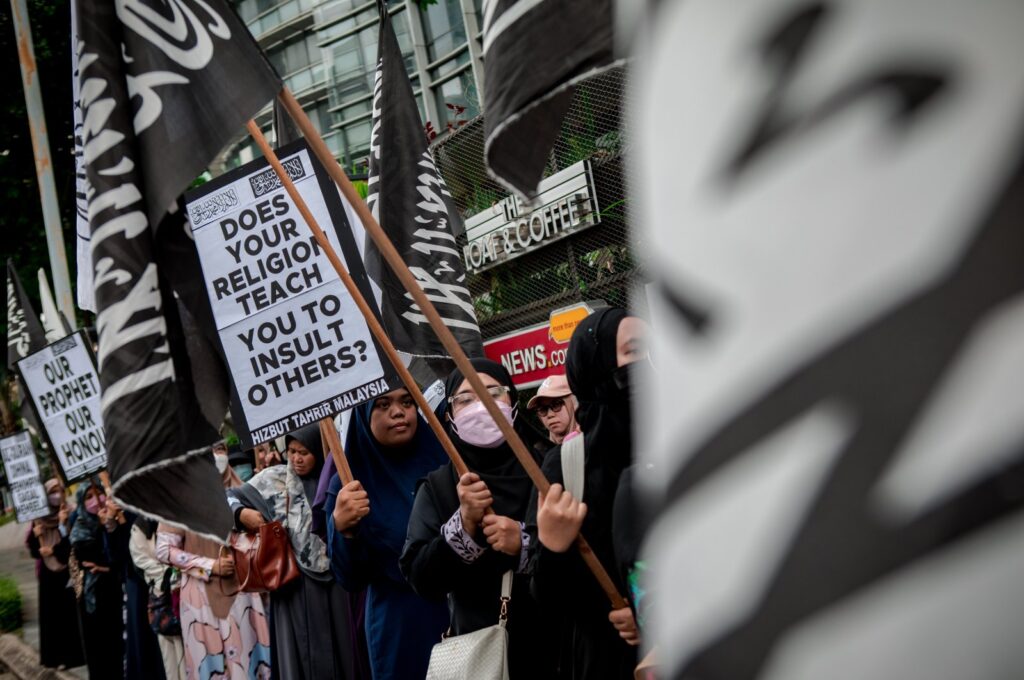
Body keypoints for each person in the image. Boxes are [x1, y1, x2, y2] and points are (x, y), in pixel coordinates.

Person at [400, 358, 555, 678]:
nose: (481, 405)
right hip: (479, 654)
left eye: (493, 393)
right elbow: (421, 578)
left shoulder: (547, 471)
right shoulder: (439, 488)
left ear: (513, 404)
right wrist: (464, 527)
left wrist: (526, 545)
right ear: (450, 416)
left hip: (555, 649)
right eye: (466, 399)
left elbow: (583, 557)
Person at [529, 308, 648, 679]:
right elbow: (547, 595)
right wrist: (552, 545)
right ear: (594, 367)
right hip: (607, 658)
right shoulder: (565, 467)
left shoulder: (687, 443)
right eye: (636, 350)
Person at [325, 388, 450, 680]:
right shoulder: (347, 485)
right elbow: (350, 578)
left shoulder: (446, 466)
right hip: (401, 626)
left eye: (407, 402)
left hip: (460, 613)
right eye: (383, 404)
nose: (398, 411)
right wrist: (345, 530)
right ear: (364, 416)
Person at [229, 424, 365, 680]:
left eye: (304, 451)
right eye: (291, 451)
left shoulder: (340, 478)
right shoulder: (274, 480)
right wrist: (242, 513)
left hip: (339, 584)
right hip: (295, 587)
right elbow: (227, 498)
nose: (296, 459)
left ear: (318, 448)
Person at [157, 446, 272, 679]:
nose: (216, 456)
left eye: (220, 448)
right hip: (203, 598)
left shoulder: (239, 488)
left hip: (243, 590)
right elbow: (163, 549)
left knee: (250, 660)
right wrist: (209, 565)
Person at [26, 478, 85, 670]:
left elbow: (74, 542)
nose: (57, 495)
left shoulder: (71, 511)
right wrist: (36, 537)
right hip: (48, 574)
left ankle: (75, 656)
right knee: (53, 616)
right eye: (52, 492)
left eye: (59, 491)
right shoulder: (38, 518)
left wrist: (62, 525)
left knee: (71, 614)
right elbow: (34, 550)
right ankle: (55, 657)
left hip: (68, 570)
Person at [70, 479, 126, 679]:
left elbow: (122, 556)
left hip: (118, 593)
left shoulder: (117, 519)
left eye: (99, 493)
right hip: (96, 600)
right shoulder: (80, 529)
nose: (96, 500)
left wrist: (112, 524)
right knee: (103, 653)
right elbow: (94, 557)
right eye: (89, 497)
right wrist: (104, 527)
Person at [130, 518, 186, 680]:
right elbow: (141, 560)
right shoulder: (140, 526)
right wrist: (168, 574)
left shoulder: (175, 517)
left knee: (187, 649)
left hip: (185, 590)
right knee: (170, 652)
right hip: (161, 594)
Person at [527, 374, 581, 445]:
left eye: (556, 405)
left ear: (572, 404)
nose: (550, 415)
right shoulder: (542, 452)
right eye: (543, 409)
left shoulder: (593, 444)